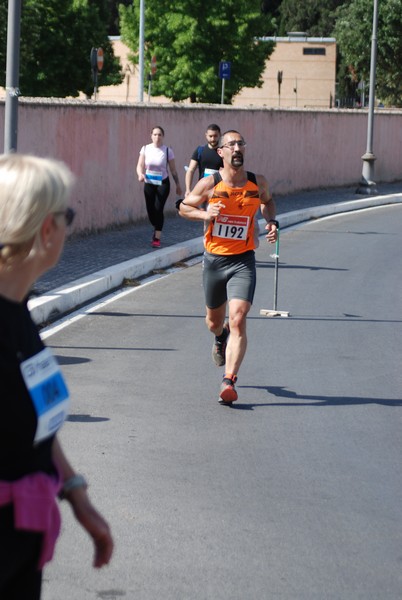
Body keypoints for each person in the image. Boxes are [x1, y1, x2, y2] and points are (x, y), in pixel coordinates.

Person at [0, 154, 114, 599]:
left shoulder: (19, 311)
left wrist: (76, 494)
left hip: (20, 548)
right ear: (47, 229)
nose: (69, 227)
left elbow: (37, 418)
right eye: (67, 215)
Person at [179, 130, 278, 404]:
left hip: (243, 260)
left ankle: (229, 380)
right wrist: (204, 213)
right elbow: (183, 207)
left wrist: (272, 223)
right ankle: (220, 337)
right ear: (221, 152)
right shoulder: (210, 183)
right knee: (214, 322)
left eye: (240, 144)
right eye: (231, 144)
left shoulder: (258, 183)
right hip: (214, 260)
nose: (237, 148)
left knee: (238, 317)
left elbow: (268, 203)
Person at [137, 126, 182, 248]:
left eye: (160, 135)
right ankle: (156, 225)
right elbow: (140, 164)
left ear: (163, 136)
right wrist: (140, 174)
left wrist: (178, 185)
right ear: (151, 135)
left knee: (158, 208)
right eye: (155, 134)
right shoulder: (145, 149)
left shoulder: (167, 151)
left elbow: (173, 170)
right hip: (149, 182)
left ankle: (157, 237)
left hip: (163, 183)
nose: (157, 137)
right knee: (151, 210)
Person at [184, 123, 223, 197]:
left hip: (218, 191)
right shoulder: (200, 150)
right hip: (202, 189)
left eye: (215, 136)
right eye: (210, 136)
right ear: (206, 136)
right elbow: (190, 170)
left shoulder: (223, 152)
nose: (213, 139)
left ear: (220, 135)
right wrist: (188, 189)